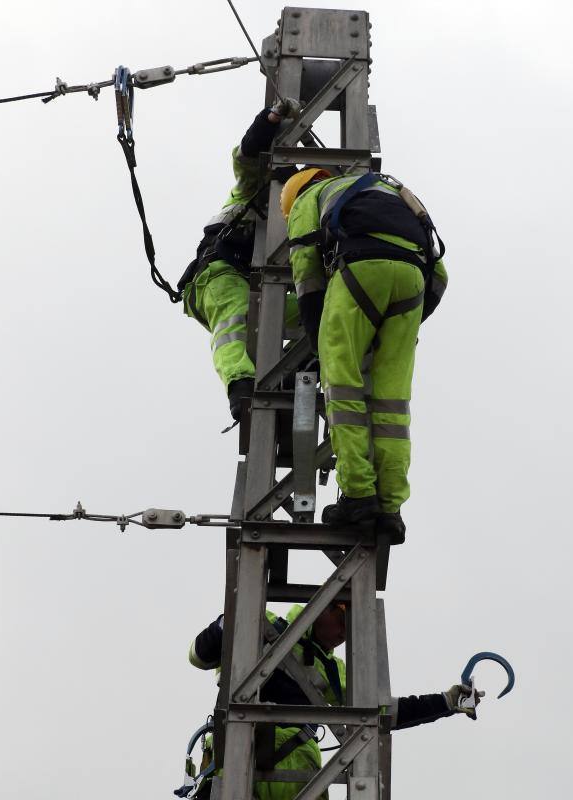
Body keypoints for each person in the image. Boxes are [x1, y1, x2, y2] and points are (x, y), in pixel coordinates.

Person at [282, 169, 448, 537]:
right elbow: (441, 274)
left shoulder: (309, 197)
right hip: (414, 280)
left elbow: (306, 268)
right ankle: (390, 508)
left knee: (343, 387)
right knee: (391, 403)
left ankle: (358, 495)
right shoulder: (393, 191)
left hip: (359, 268)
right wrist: (404, 323)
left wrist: (318, 338)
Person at [188, 603, 481, 800]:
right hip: (236, 766)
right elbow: (198, 657)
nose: (343, 634)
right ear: (319, 609)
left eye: (350, 628)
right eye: (341, 620)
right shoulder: (260, 628)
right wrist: (229, 622)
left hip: (297, 778)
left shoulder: (334, 671)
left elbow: (382, 713)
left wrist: (446, 702)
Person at [178, 101, 301, 421]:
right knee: (234, 320)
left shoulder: (303, 214)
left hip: (260, 291)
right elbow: (248, 154)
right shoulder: (255, 188)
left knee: (325, 312)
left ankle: (292, 369)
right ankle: (241, 384)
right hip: (220, 274)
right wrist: (271, 118)